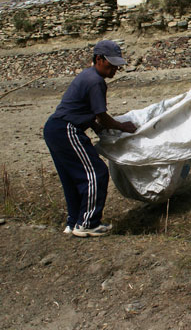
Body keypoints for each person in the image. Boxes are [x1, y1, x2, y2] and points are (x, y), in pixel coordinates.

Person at [43, 40, 137, 237]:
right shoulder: (95, 81)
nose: (114, 70)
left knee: (71, 177)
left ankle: (73, 222)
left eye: (117, 66)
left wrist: (98, 129)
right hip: (67, 129)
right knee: (96, 172)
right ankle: (88, 223)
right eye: (111, 64)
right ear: (98, 59)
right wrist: (122, 126)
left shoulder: (88, 76)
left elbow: (89, 112)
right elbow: (101, 115)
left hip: (54, 128)